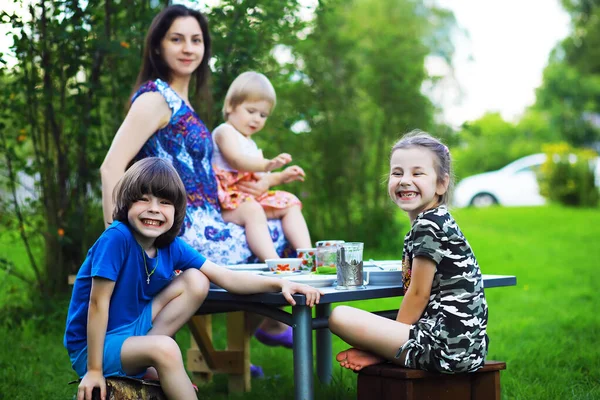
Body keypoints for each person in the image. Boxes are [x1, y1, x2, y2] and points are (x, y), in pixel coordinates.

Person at [99, 5, 299, 357]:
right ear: (158, 47)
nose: (188, 48)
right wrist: (119, 243)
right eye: (177, 39)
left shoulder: (182, 102)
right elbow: (111, 168)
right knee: (274, 243)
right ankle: (150, 349)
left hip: (212, 218)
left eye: (196, 40)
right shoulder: (155, 98)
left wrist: (258, 186)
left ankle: (252, 339)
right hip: (183, 227)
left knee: (280, 227)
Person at [65, 158, 322, 400]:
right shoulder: (116, 238)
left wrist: (281, 282)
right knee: (165, 349)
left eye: (165, 202)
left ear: (177, 211)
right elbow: (97, 304)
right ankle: (150, 358)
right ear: (126, 205)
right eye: (143, 200)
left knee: (196, 279)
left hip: (134, 326)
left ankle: (146, 361)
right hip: (93, 346)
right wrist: (94, 370)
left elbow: (226, 278)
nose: (154, 209)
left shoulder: (171, 246)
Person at [329, 130, 488, 374]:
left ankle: (384, 354)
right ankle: (387, 353)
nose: (404, 180)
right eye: (397, 173)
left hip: (445, 349)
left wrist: (386, 339)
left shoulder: (427, 225)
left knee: (339, 316)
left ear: (441, 184)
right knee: (377, 317)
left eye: (417, 173)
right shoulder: (438, 219)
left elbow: (418, 294)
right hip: (468, 349)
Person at [212, 71, 311, 259]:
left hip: (248, 198)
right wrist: (267, 164)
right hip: (227, 203)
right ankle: (273, 261)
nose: (257, 119)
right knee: (253, 210)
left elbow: (259, 180)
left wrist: (281, 176)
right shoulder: (225, 132)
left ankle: (308, 255)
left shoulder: (251, 143)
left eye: (263, 115)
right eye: (251, 111)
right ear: (231, 106)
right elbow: (237, 160)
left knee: (290, 203)